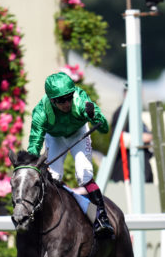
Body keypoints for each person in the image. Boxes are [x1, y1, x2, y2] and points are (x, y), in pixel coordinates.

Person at [26, 72, 114, 238]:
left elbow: (104, 129)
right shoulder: (40, 112)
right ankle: (47, 218)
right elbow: (34, 144)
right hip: (55, 137)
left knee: (84, 174)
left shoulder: (81, 101)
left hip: (78, 133)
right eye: (61, 100)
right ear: (52, 100)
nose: (66, 103)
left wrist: (94, 116)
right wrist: (32, 166)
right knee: (53, 177)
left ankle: (102, 217)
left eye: (69, 97)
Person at [110, 99, 154, 183]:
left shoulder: (135, 113)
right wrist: (140, 138)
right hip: (127, 170)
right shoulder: (122, 112)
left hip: (143, 169)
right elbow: (117, 138)